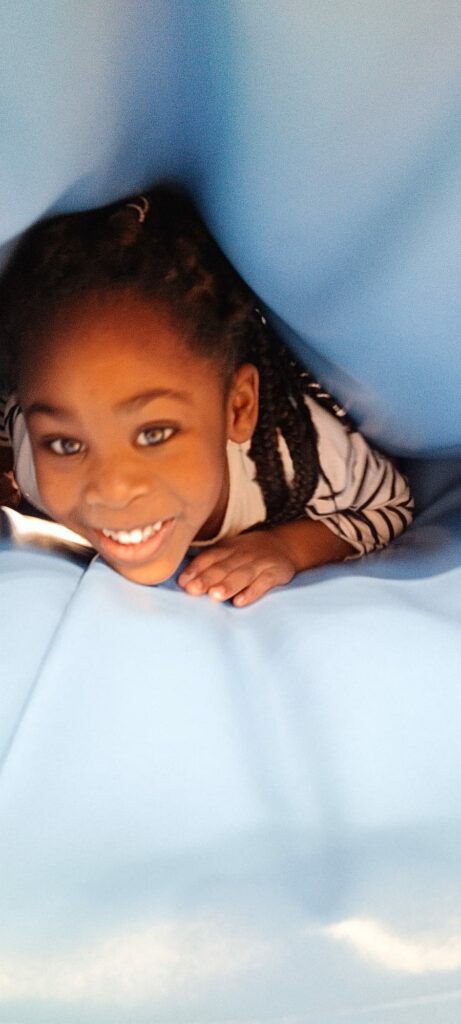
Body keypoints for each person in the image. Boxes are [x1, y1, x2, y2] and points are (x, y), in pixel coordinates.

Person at [0, 186, 413, 606]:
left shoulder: (301, 455)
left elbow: (389, 506)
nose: (113, 489)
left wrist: (287, 547)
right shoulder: (30, 454)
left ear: (239, 409)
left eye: (154, 434)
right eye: (66, 444)